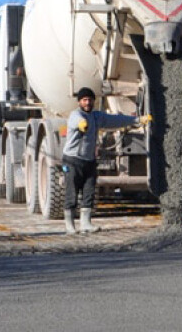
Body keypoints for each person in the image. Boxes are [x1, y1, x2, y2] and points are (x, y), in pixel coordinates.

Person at [62, 87, 151, 234]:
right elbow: (76, 121)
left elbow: (116, 120)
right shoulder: (75, 115)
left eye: (90, 100)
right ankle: (69, 225)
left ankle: (85, 223)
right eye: (84, 100)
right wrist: (81, 125)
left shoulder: (96, 117)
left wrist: (137, 120)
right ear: (79, 102)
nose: (87, 102)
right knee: (72, 192)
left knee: (89, 192)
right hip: (73, 160)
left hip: (89, 160)